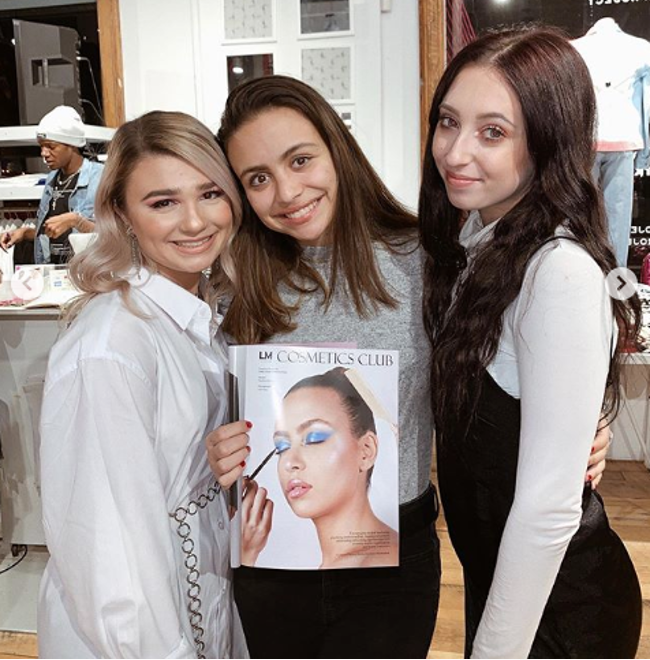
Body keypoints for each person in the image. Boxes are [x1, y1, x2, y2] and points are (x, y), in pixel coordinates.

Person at [204, 75, 611, 660]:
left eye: (300, 160)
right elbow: (228, 423)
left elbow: (517, 361)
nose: (287, 192)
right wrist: (222, 450)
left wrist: (588, 423)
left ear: (336, 150)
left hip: (393, 565)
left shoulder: (427, 258)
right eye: (258, 179)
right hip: (273, 563)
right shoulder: (232, 283)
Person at [419, 26, 642, 659]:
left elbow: (547, 511)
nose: (457, 152)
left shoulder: (557, 271)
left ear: (547, 141)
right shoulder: (473, 240)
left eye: (493, 132)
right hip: (506, 586)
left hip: (561, 609)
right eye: (448, 122)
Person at [38, 111, 248, 659]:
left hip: (200, 593)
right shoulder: (113, 346)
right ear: (121, 215)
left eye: (210, 193)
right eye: (162, 202)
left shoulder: (199, 314)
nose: (195, 221)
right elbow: (108, 546)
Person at [243, 366, 398, 569]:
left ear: (366, 450)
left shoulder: (380, 562)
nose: (290, 462)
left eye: (314, 438)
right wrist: (246, 554)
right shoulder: (334, 564)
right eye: (282, 447)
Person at [0, 105, 103, 265]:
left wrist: (76, 221)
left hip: (87, 275)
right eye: (41, 146)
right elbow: (54, 234)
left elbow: (116, 236)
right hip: (54, 277)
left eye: (51, 146)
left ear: (72, 144)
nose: (44, 153)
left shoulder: (101, 177)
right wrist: (24, 233)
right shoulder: (52, 179)